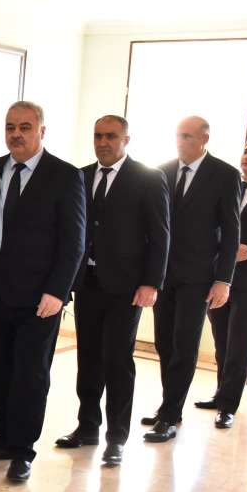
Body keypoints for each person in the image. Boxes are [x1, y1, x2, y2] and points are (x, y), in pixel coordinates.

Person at [0, 102, 85, 481]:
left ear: (41, 131)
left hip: (41, 299)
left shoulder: (64, 176)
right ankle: (1, 437)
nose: (16, 134)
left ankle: (22, 450)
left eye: (24, 127)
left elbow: (74, 242)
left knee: (30, 375)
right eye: (10, 127)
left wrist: (58, 291)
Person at [57, 116, 169, 465]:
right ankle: (87, 426)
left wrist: (151, 282)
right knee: (88, 358)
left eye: (111, 136)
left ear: (126, 140)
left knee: (117, 360)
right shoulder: (80, 175)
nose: (103, 142)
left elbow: (161, 235)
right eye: (98, 136)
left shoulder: (148, 178)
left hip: (127, 287)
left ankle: (116, 438)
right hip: (87, 283)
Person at [143, 116, 241, 443]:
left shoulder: (225, 175)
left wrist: (224, 279)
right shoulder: (162, 171)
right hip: (163, 275)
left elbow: (231, 231)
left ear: (204, 139)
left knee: (184, 346)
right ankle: (170, 405)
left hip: (199, 277)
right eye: (177, 135)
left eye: (186, 136)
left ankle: (169, 415)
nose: (180, 141)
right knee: (164, 343)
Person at [196, 135, 247, 427]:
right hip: (218, 277)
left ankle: (228, 406)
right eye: (246, 151)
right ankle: (220, 394)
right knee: (221, 340)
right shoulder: (229, 186)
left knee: (239, 343)